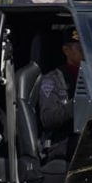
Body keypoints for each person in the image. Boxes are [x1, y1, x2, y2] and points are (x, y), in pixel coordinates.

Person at [37, 27, 84, 160]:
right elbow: (48, 118)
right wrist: (77, 103)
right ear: (66, 51)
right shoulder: (52, 80)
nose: (85, 52)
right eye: (80, 48)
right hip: (62, 141)